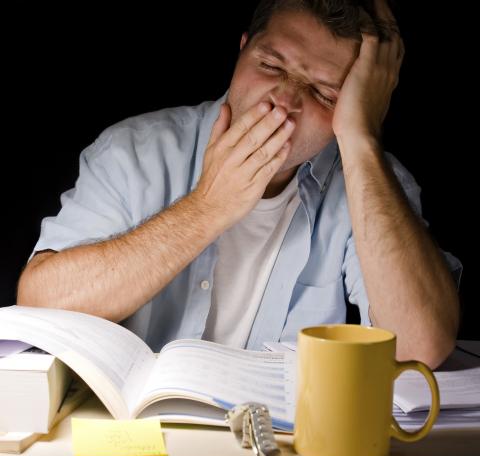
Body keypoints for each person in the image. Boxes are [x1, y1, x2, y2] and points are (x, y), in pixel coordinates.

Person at [17, 0, 462, 369]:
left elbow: (419, 347)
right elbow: (39, 304)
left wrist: (362, 139)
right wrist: (208, 207)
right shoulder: (134, 152)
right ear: (243, 51)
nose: (284, 103)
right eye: (270, 65)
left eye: (325, 93)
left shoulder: (372, 184)